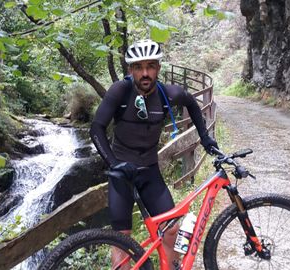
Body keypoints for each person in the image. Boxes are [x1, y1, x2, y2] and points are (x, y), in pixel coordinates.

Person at [89, 39, 218, 269]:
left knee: (171, 231)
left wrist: (205, 137)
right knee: (122, 240)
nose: (145, 73)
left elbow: (192, 104)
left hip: (150, 171)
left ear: (158, 68)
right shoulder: (120, 91)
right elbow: (96, 128)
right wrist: (114, 164)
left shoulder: (169, 94)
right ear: (131, 70)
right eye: (139, 67)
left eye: (150, 66)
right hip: (121, 175)